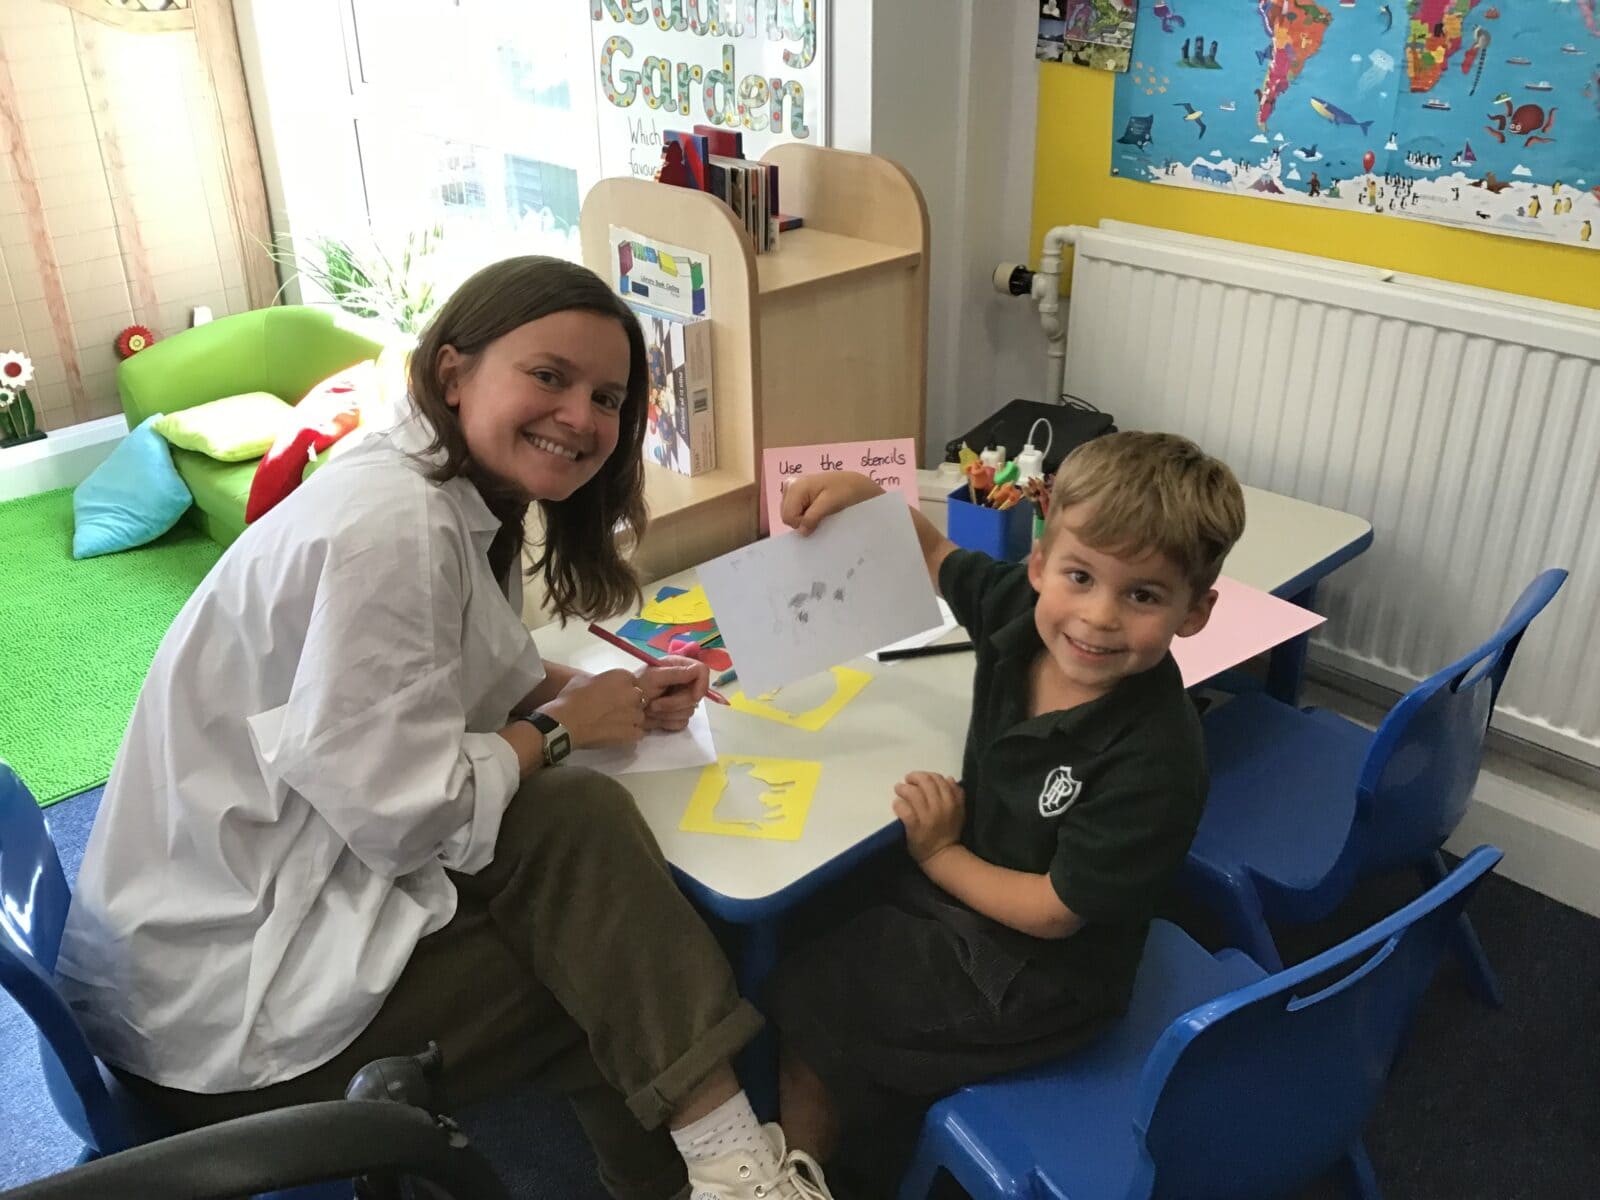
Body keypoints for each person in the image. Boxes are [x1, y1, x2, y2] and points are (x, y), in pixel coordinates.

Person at [56, 256, 833, 1200]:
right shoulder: (394, 529)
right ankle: (732, 1172)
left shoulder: (427, 486)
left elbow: (451, 673)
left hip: (196, 947)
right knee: (626, 967)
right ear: (453, 371)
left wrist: (595, 692)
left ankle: (713, 1169)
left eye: (609, 397)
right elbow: (406, 814)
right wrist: (558, 730)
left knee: (585, 859)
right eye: (549, 377)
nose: (583, 418)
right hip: (220, 1028)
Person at [771, 431, 1246, 1195]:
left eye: (1144, 595)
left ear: (1195, 612)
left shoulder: (1155, 757)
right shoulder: (1016, 610)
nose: (1097, 618)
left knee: (810, 985)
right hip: (974, 891)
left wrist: (940, 855)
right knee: (820, 912)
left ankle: (807, 1175)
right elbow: (936, 557)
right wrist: (871, 500)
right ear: (1038, 566)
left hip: (1044, 973)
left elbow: (1058, 913)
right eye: (1080, 577)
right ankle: (873, 1100)